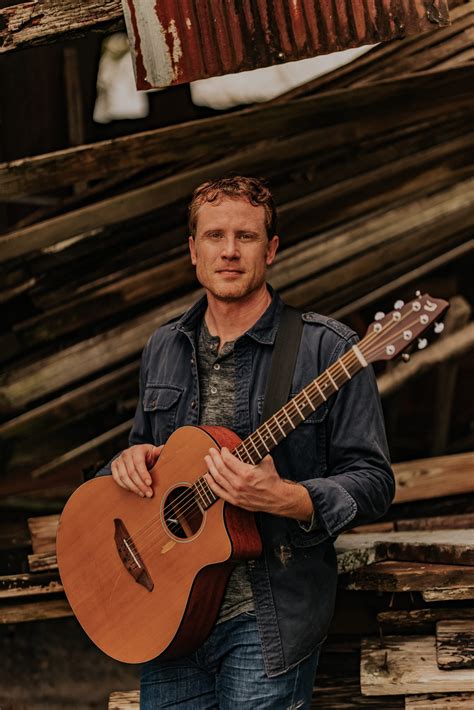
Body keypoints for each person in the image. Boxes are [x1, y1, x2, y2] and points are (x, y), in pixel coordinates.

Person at [97, 176, 395, 709]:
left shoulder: (328, 350)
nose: (229, 251)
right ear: (193, 251)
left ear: (272, 249)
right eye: (214, 236)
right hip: (166, 616)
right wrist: (126, 461)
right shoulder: (165, 345)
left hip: (266, 622)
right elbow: (140, 458)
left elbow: (373, 482)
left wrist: (286, 498)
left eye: (246, 237)